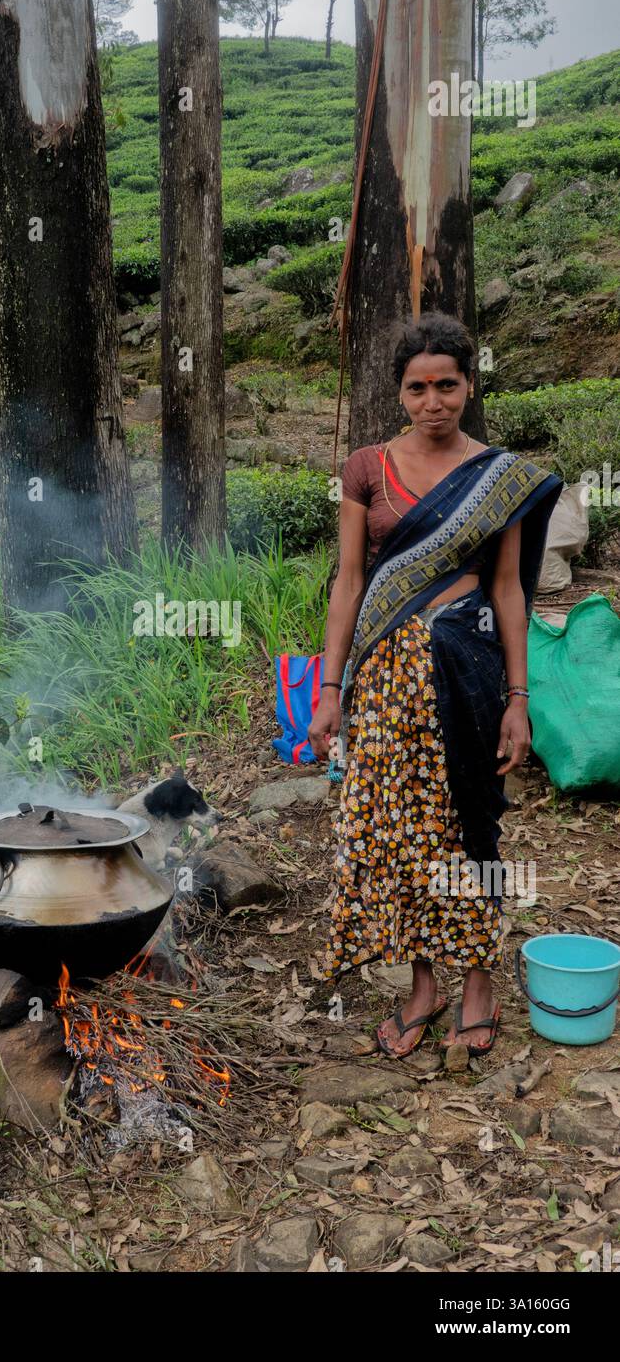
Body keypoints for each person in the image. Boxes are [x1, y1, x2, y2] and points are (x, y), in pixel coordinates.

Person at [309, 312, 563, 1058]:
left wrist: (520, 700)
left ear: (469, 384)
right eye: (418, 388)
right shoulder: (365, 468)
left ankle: (478, 979)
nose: (433, 401)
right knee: (396, 831)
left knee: (469, 823)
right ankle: (424, 984)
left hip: (469, 672)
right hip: (385, 681)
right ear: (400, 393)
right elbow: (350, 581)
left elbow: (510, 590)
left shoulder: (501, 477)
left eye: (447, 385)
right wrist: (330, 689)